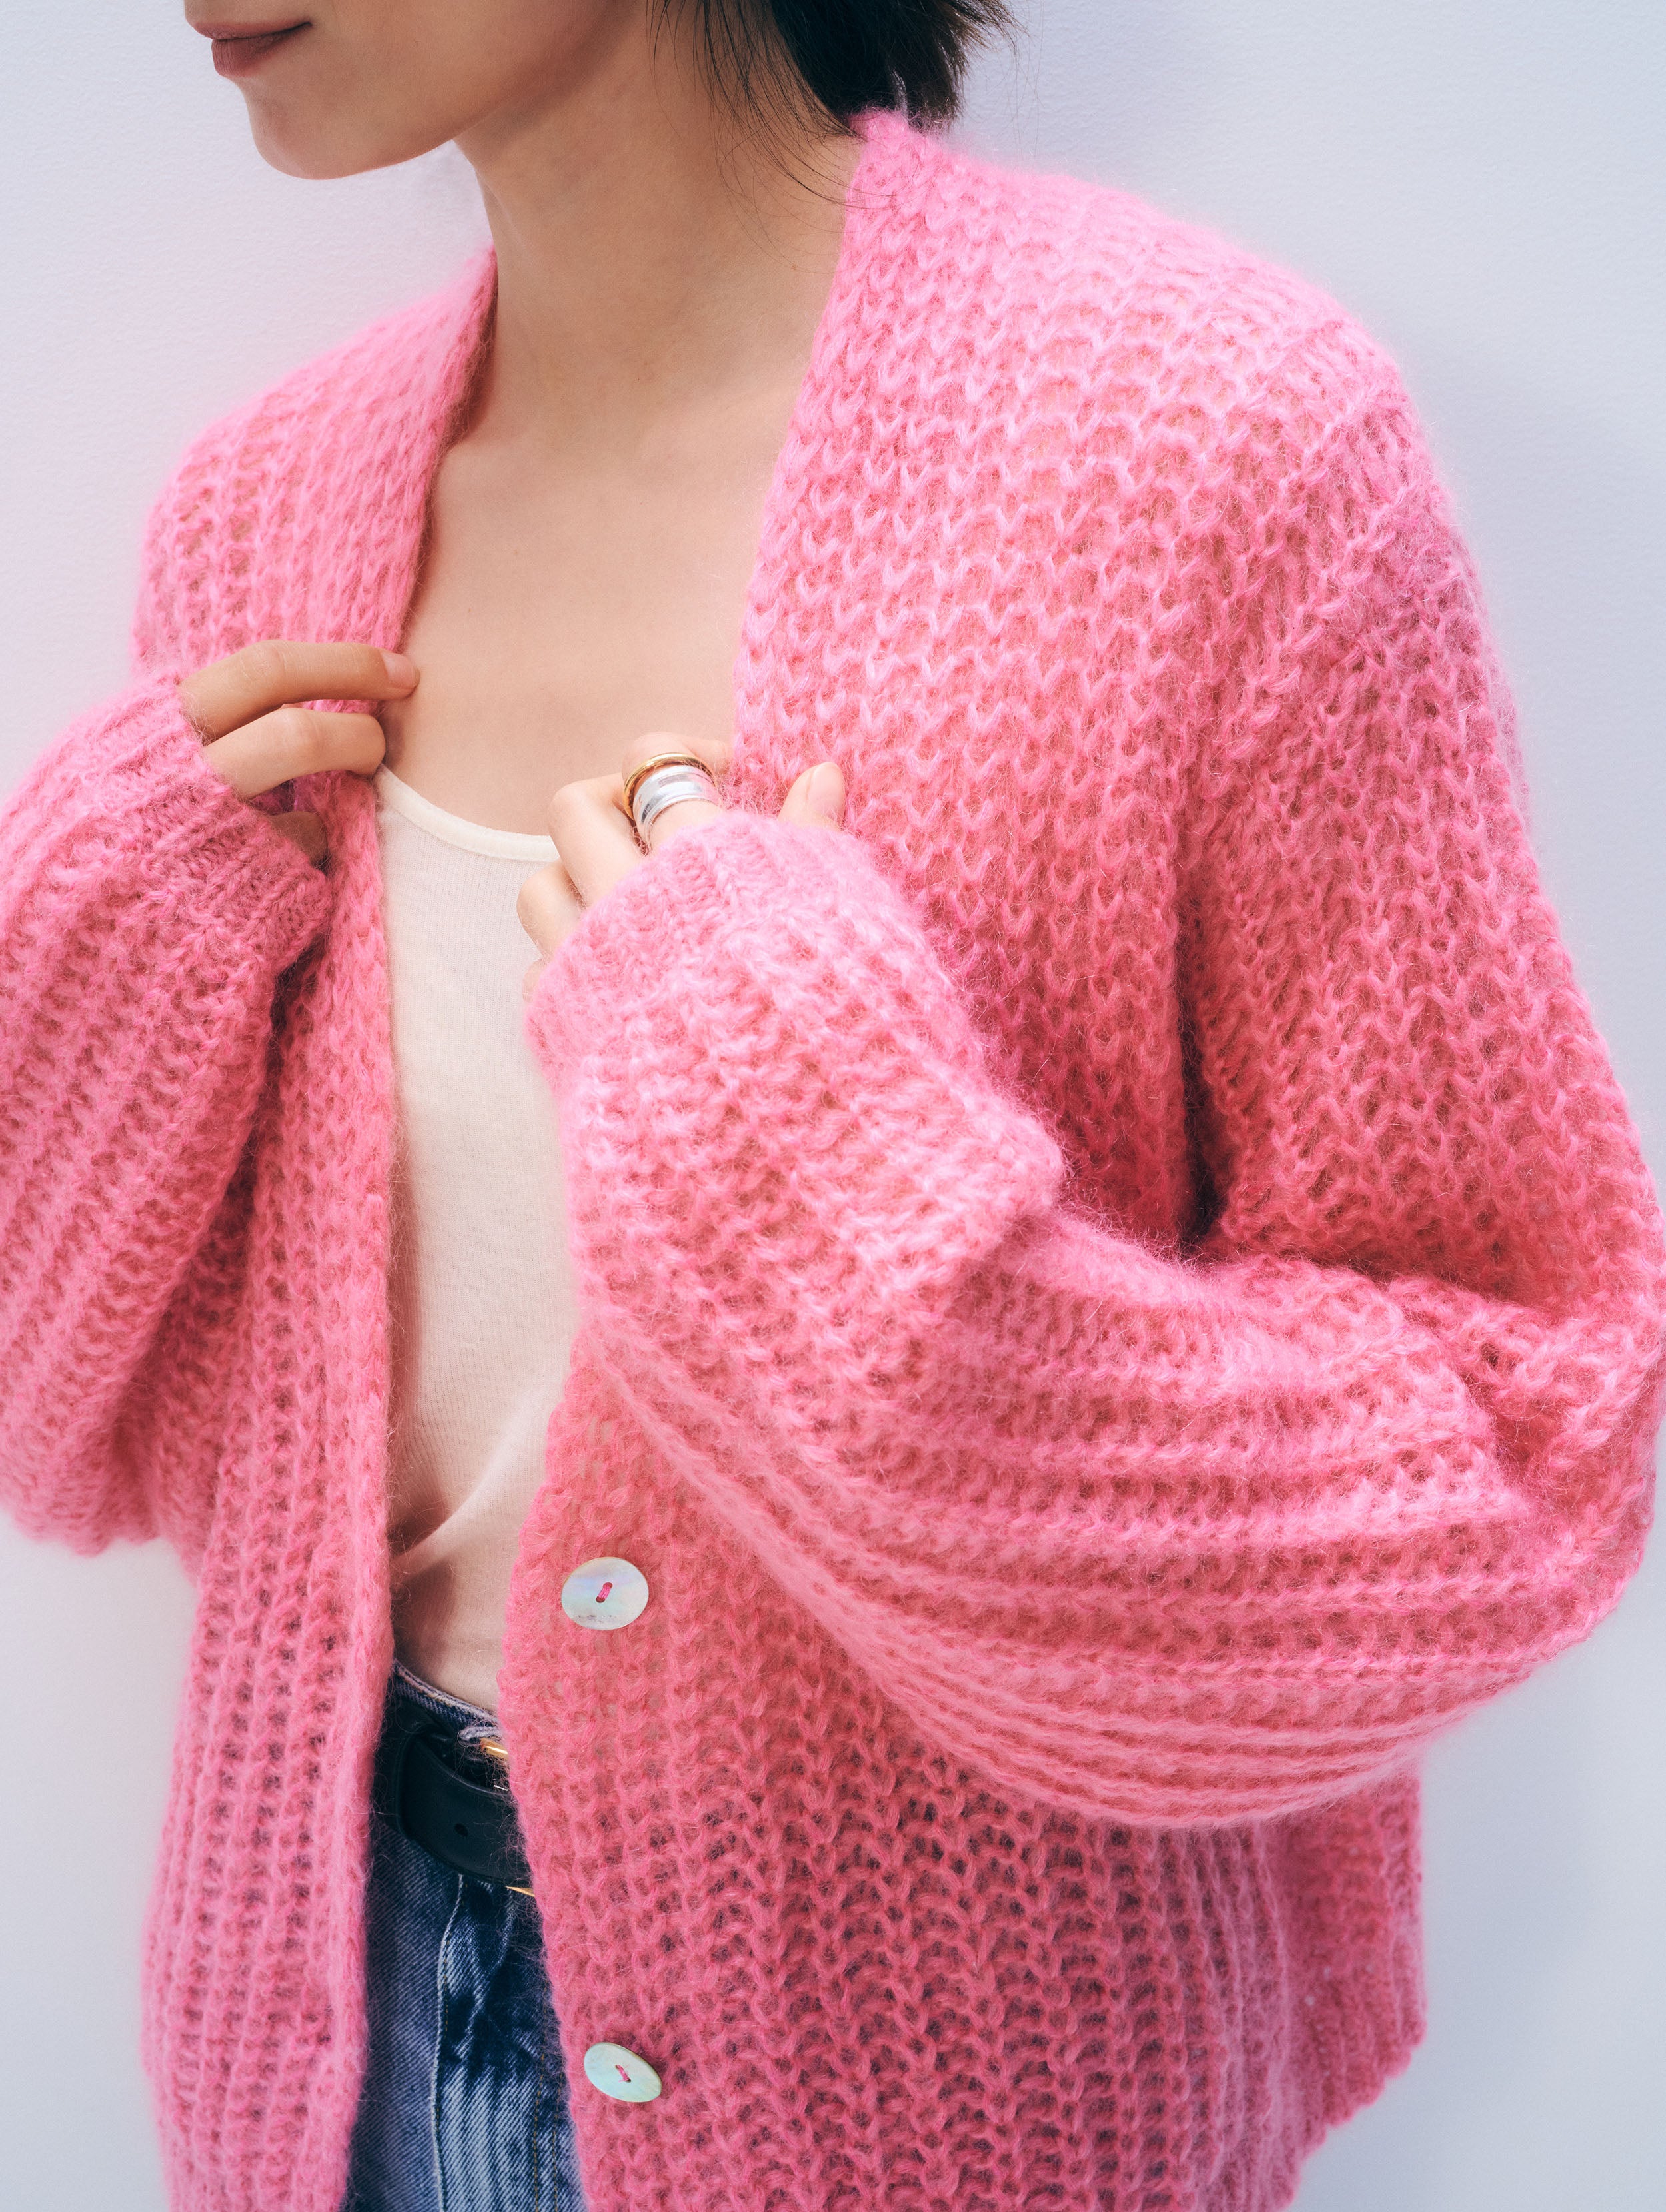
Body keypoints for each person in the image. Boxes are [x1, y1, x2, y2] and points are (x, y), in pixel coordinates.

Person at [3, 3, 1662, 2209]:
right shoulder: (263, 507)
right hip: (341, 2037)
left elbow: (1524, 1439)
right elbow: (82, 1432)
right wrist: (92, 956)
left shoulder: (1199, 443)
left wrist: (818, 1194)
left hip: (974, 2083)